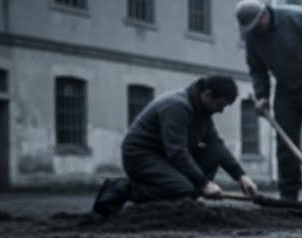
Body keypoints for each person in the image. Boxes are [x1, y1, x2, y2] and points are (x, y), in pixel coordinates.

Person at [91, 75, 257, 215]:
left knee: (212, 153)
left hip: (165, 157)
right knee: (183, 189)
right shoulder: (177, 106)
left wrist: (241, 176)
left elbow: (216, 145)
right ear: (207, 94)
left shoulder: (203, 112)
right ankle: (124, 189)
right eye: (220, 105)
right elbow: (177, 151)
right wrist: (204, 184)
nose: (220, 111)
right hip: (140, 156)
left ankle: (187, 195)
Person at [235, 0, 302, 213]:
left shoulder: (295, 17)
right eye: (251, 29)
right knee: (286, 146)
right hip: (286, 91)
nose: (256, 31)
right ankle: (288, 199)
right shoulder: (253, 36)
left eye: (257, 25)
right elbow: (257, 69)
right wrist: (262, 96)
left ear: (264, 13)